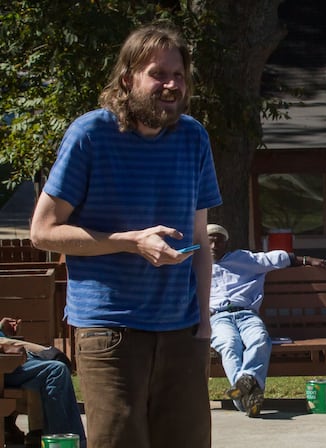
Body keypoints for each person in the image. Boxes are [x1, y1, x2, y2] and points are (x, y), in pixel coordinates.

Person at [29, 23, 222, 448]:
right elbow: (43, 231)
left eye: (178, 75)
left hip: (182, 329)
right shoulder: (91, 134)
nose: (171, 85)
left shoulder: (193, 137)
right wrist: (129, 241)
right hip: (109, 331)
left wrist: (205, 325)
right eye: (158, 74)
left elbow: (199, 238)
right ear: (127, 78)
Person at [207, 224, 326, 417]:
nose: (214, 244)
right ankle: (247, 394)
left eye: (219, 240)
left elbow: (275, 258)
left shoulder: (244, 259)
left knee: (259, 340)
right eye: (210, 240)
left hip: (247, 314)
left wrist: (307, 260)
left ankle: (244, 390)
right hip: (218, 317)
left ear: (226, 243)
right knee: (229, 345)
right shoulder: (195, 265)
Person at [1, 317, 86, 447]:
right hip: (5, 363)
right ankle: (61, 441)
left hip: (11, 359)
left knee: (57, 365)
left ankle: (59, 439)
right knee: (56, 370)